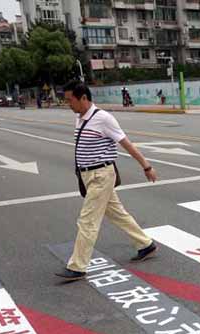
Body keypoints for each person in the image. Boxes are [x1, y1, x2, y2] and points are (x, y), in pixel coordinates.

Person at [55, 81, 159, 281]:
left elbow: (126, 144)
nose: (68, 104)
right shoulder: (80, 117)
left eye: (70, 100)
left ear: (83, 98)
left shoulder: (103, 119)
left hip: (101, 176)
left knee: (87, 220)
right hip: (89, 176)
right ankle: (146, 244)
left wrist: (146, 166)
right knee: (118, 214)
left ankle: (78, 266)